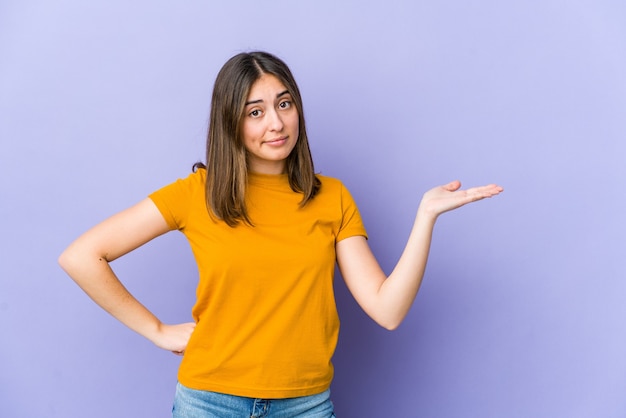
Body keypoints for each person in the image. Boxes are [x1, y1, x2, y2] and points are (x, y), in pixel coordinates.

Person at [58, 51, 503, 417]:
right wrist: (157, 330)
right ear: (231, 122)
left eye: (284, 104)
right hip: (209, 403)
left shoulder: (332, 197)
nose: (276, 123)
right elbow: (82, 256)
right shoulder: (197, 195)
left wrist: (425, 217)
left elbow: (387, 310)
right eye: (256, 112)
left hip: (305, 406)